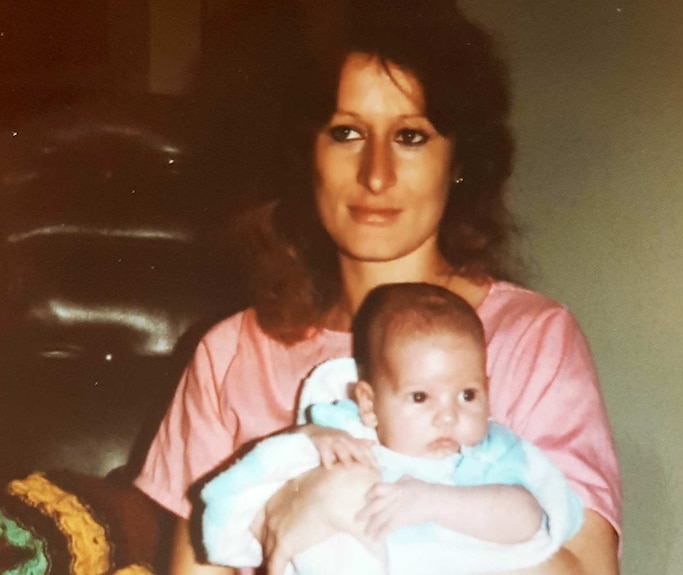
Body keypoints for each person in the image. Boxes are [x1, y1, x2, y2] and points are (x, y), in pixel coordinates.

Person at [133, 1, 622, 574]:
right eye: (346, 133)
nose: (376, 173)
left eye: (411, 136)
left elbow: (585, 569)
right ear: (304, 153)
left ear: (458, 159)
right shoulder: (229, 354)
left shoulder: (532, 339)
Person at [197, 283, 584, 574]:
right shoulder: (344, 437)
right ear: (369, 404)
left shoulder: (489, 453)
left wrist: (434, 501)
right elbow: (267, 475)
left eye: (467, 395)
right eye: (420, 398)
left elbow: (530, 518)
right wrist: (310, 439)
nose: (448, 417)